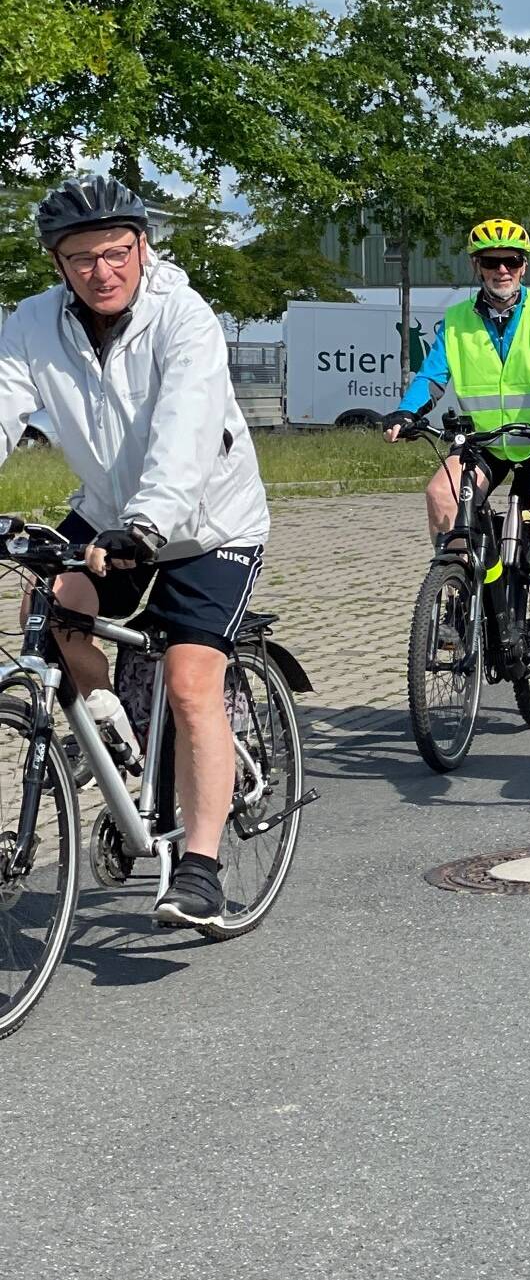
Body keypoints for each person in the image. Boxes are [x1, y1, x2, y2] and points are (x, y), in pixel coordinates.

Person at [0, 174, 270, 927]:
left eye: (116, 251)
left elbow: (184, 430)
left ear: (144, 246)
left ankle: (202, 868)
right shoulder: (30, 324)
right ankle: (117, 740)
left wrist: (149, 525)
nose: (101, 270)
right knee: (53, 610)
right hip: (109, 515)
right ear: (57, 263)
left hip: (208, 524)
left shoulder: (184, 318)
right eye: (80, 257)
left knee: (189, 683)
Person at [383, 218, 530, 673]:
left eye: (510, 261)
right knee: (440, 492)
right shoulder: (457, 319)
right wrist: (407, 411)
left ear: (523, 266)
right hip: (484, 442)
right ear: (477, 266)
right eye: (492, 262)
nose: (502, 270)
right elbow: (433, 376)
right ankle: (457, 593)